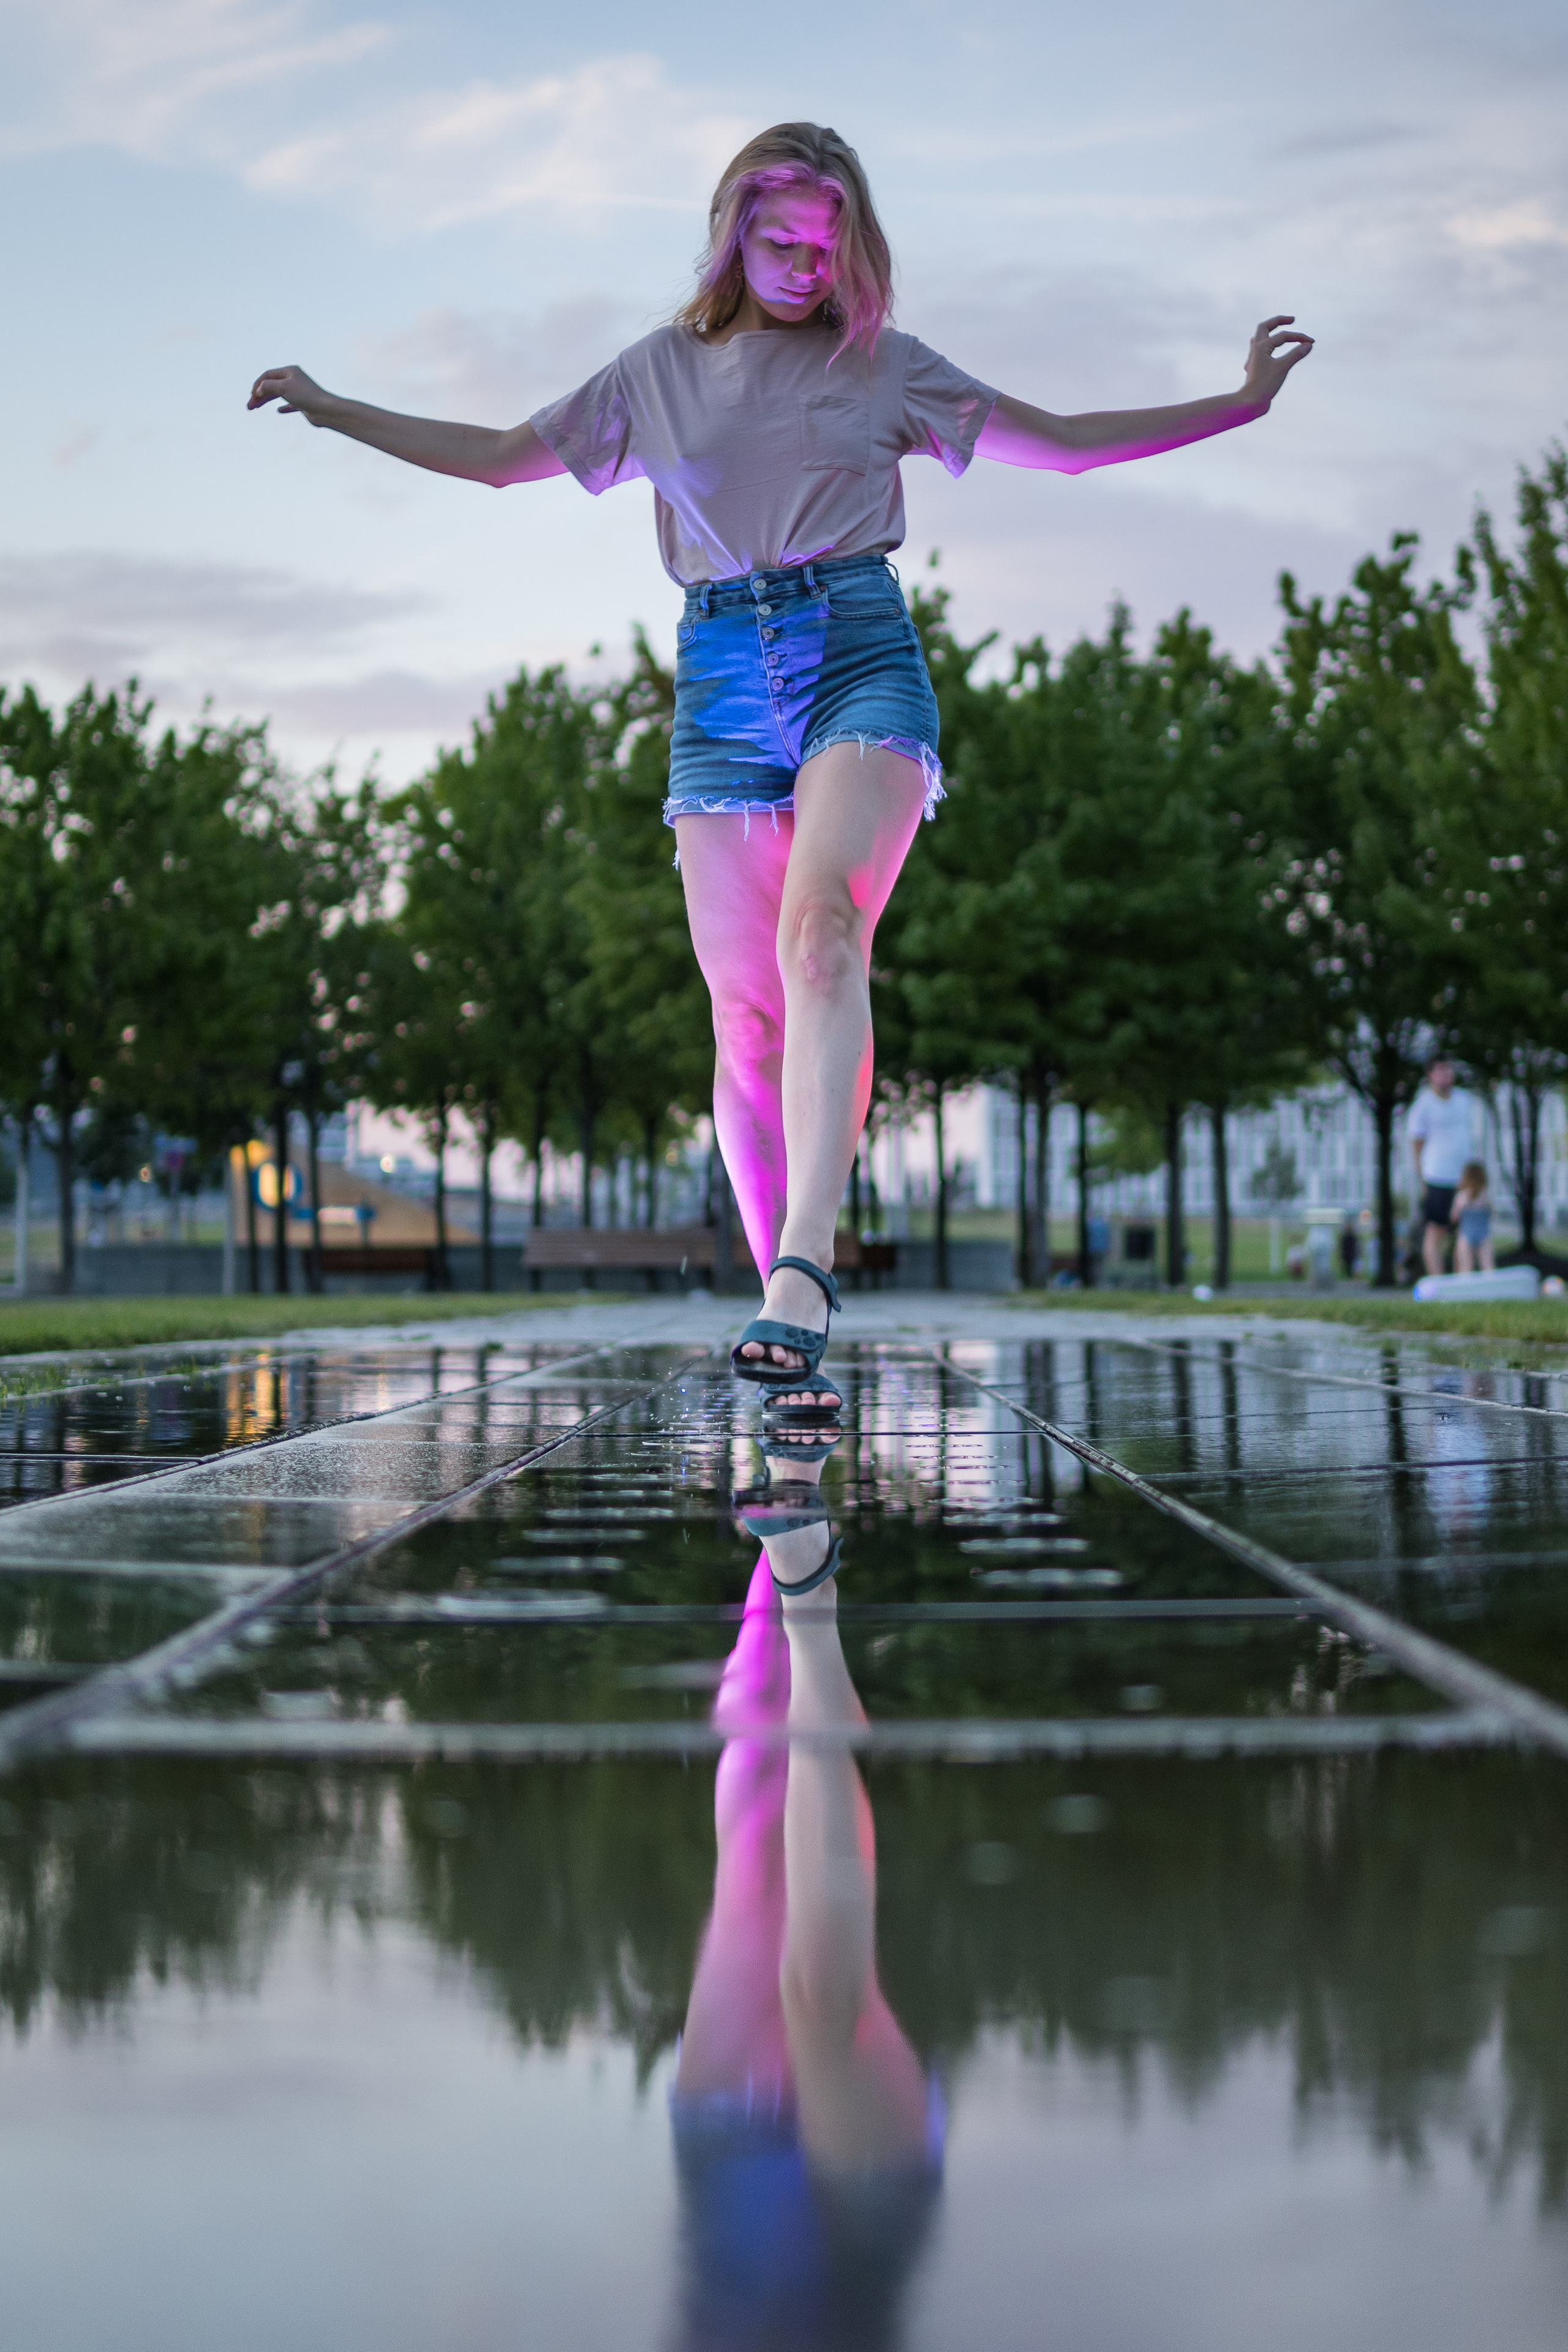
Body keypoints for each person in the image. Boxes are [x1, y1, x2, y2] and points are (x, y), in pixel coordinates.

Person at [249, 121, 1313, 1419]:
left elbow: (1070, 442)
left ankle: (803, 1270)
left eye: (825, 242)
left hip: (857, 655)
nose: (803, 263)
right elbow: (494, 458)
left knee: (822, 942)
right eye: (777, 238)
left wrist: (1237, 402)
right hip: (716, 689)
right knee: (745, 1020)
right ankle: (780, 1304)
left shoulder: (885, 371)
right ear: (729, 234)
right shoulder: (655, 374)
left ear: (851, 247)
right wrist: (334, 405)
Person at [1407, 1055, 1477, 1279]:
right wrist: (1422, 1178)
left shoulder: (1463, 1100)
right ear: (1431, 1075)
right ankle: (1438, 1282)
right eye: (1441, 1070)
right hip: (1437, 1176)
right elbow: (1417, 1144)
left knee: (1464, 1232)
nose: (1447, 1075)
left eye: (1449, 1070)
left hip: (1463, 1177)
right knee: (1435, 1230)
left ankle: (1461, 1281)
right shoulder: (1423, 1106)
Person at [1451, 1159, 1494, 1273]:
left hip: (1466, 1234)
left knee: (1466, 1269)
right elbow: (1491, 1213)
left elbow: (1454, 1217)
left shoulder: (1461, 1197)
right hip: (1483, 1234)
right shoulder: (1486, 1196)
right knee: (1488, 1268)